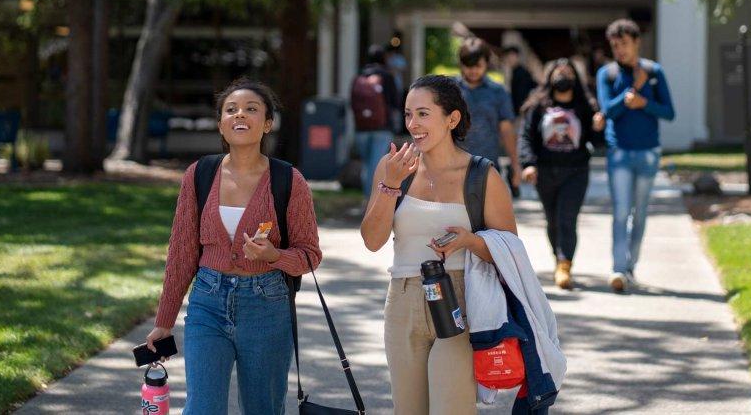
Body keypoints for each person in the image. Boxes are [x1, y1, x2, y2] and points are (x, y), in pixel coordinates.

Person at [146, 79, 322, 413]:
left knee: (262, 408)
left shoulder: (289, 180)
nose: (240, 114)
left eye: (251, 109)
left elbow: (310, 256)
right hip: (207, 303)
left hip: (267, 306)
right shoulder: (199, 174)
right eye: (231, 109)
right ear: (221, 125)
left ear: (267, 123)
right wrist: (164, 321)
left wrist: (274, 255)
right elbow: (182, 254)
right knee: (202, 407)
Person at [360, 75, 517, 414]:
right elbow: (372, 240)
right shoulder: (393, 169)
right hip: (403, 301)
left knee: (452, 408)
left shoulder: (482, 175)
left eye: (423, 114)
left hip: (460, 300)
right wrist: (389, 185)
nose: (412, 124)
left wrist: (469, 241)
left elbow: (510, 252)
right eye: (407, 114)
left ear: (452, 118)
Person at [596, 19, 675, 293]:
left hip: (648, 153)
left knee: (639, 214)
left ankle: (630, 267)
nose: (620, 51)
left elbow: (669, 112)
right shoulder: (606, 74)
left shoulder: (654, 71)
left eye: (624, 44)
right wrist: (633, 91)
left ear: (636, 42)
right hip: (619, 152)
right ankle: (618, 269)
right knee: (620, 212)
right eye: (615, 46)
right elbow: (608, 110)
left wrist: (645, 102)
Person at [519, 58, 601, 290]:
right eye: (558, 72)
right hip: (545, 172)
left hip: (576, 171)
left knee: (567, 218)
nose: (562, 76)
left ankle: (565, 264)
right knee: (552, 220)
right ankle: (559, 258)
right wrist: (528, 164)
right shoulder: (538, 105)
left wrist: (598, 127)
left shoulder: (585, 106)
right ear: (550, 77)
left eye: (568, 72)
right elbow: (525, 136)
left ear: (575, 78)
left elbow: (598, 142)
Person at [455, 38, 522, 196]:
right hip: (453, 165)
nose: (472, 71)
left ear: (487, 63)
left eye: (477, 66)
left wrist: (515, 163)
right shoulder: (451, 89)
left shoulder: (498, 92)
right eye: (468, 66)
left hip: (487, 165)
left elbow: (506, 130)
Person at [353, 44, 402, 198]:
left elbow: (352, 103)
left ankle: (366, 200)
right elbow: (396, 102)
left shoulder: (359, 76)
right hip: (382, 128)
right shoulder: (387, 76)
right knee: (376, 166)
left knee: (367, 166)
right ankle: (371, 202)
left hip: (361, 129)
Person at [502, 45, 537, 115]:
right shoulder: (515, 72)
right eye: (507, 57)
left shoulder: (522, 73)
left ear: (517, 56)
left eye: (512, 56)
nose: (509, 59)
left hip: (523, 111)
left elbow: (522, 94)